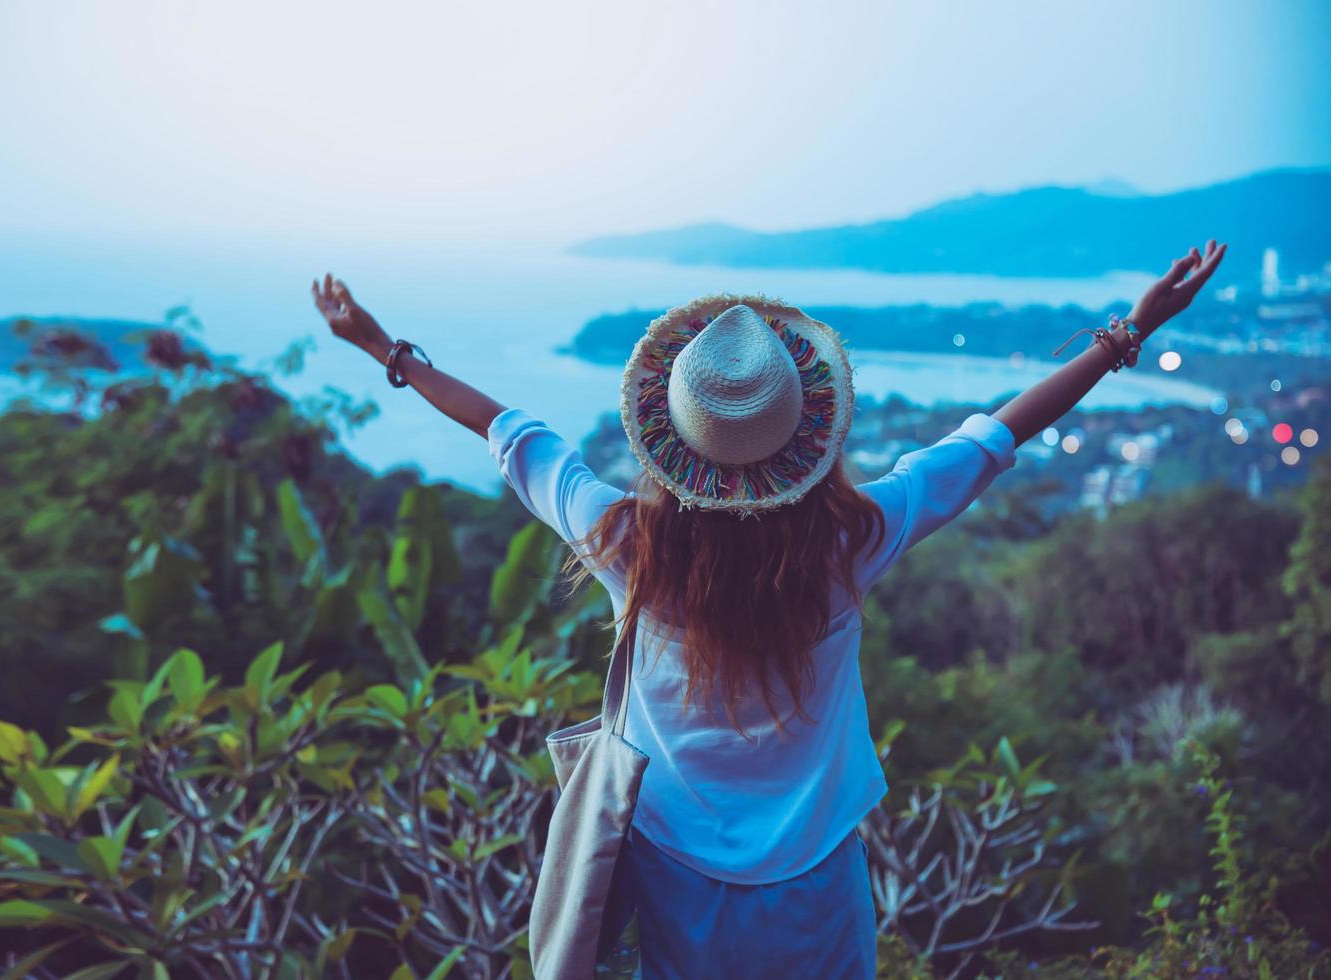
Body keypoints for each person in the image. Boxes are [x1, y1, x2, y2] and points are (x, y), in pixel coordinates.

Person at [311, 239, 1226, 979]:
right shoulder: (851, 542)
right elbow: (990, 437)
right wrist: (1128, 332)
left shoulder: (626, 542)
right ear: (806, 435)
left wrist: (383, 349)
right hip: (815, 877)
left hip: (671, 869)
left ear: (672, 445)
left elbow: (510, 431)